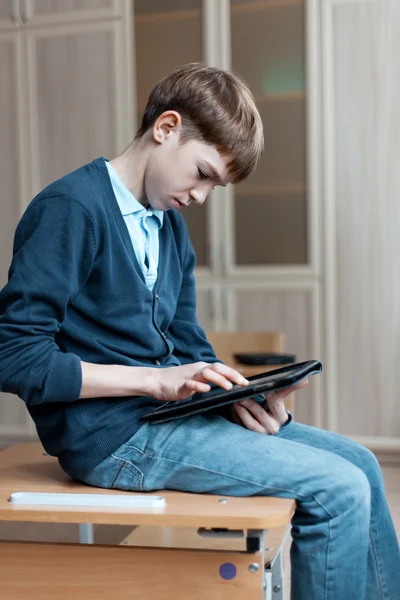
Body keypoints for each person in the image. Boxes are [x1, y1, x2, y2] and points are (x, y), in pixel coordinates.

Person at [0, 63, 398, 600]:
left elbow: (188, 345)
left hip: (166, 419)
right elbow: (14, 356)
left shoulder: (169, 227)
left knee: (362, 465)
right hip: (114, 438)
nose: (202, 196)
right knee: (337, 488)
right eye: (203, 173)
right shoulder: (71, 209)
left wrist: (238, 398)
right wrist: (152, 383)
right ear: (166, 128)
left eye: (217, 186)